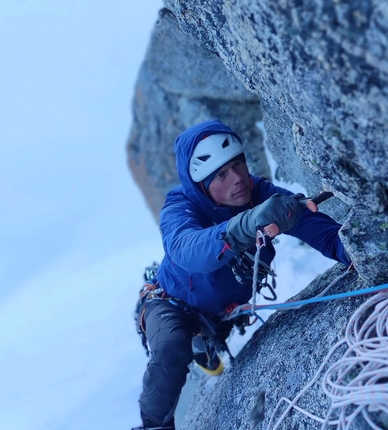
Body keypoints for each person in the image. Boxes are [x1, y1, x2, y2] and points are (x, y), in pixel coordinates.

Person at [132, 120, 351, 430]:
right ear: (200, 184)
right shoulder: (180, 207)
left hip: (222, 310)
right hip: (171, 302)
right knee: (171, 349)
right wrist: (244, 226)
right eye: (221, 174)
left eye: (238, 165)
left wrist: (354, 252)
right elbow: (187, 250)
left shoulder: (259, 194)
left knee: (211, 337)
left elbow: (319, 231)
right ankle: (153, 426)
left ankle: (204, 345)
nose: (237, 179)